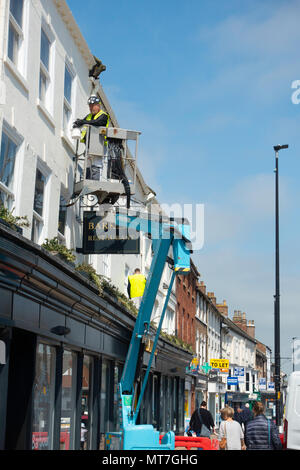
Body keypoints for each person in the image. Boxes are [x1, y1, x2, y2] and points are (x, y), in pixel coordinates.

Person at [73, 95, 110, 181]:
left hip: (99, 146)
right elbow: (83, 122)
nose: (91, 108)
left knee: (96, 166)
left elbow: (98, 122)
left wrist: (83, 122)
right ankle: (86, 182)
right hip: (89, 146)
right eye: (90, 106)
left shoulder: (103, 116)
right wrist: (77, 124)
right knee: (87, 166)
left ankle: (93, 184)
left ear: (98, 105)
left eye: (93, 105)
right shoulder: (89, 116)